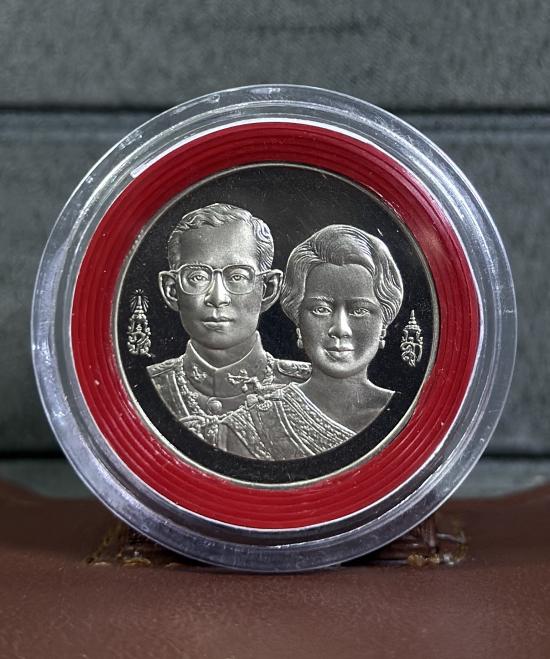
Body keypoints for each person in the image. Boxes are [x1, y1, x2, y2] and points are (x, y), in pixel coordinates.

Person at [219, 224, 404, 460]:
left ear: (384, 324)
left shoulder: (412, 416)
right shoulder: (252, 426)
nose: (340, 329)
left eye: (359, 311)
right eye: (320, 309)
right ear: (298, 320)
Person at [147, 203, 311, 448]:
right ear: (171, 290)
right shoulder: (147, 388)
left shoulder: (311, 390)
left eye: (237, 277)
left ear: (268, 289)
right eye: (198, 277)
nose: (217, 297)